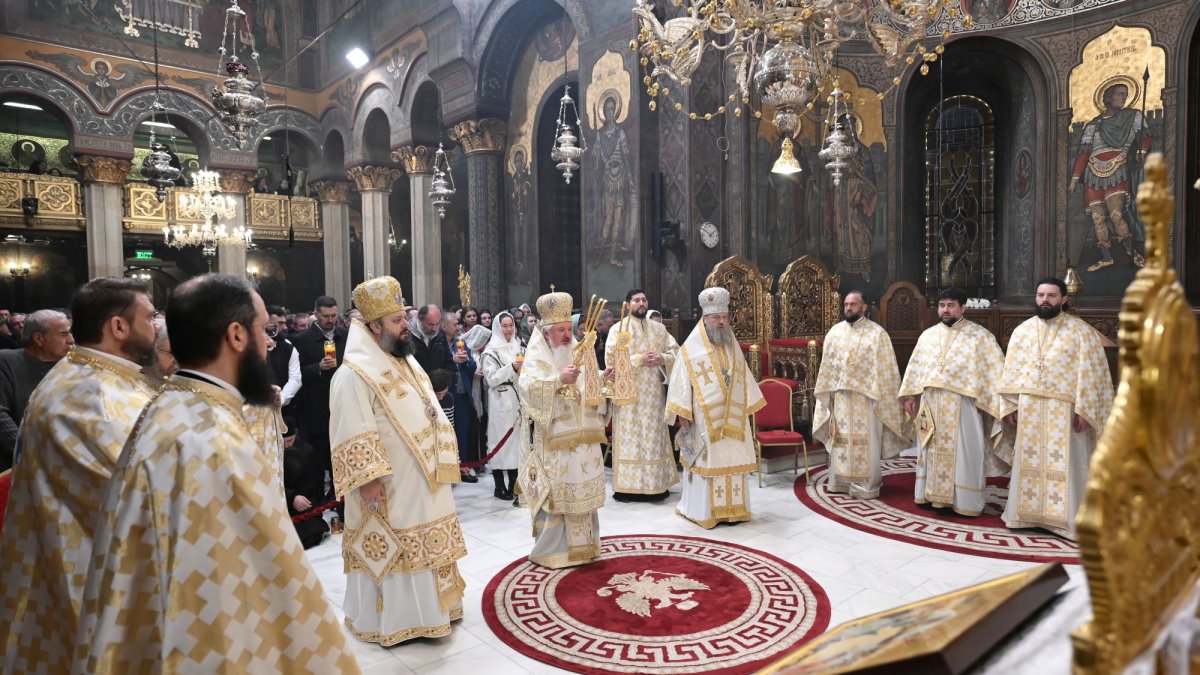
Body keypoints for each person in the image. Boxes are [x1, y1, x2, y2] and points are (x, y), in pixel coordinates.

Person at [75, 274, 356, 672]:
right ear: (237, 335)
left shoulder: (178, 406)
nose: (269, 343)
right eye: (263, 330)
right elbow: (248, 591)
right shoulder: (213, 440)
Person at [0, 279, 158, 674]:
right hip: (88, 588)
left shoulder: (96, 379)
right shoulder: (91, 395)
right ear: (119, 327)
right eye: (150, 317)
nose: (156, 326)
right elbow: (143, 497)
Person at [330, 276, 467, 644]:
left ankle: (439, 609)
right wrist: (367, 479)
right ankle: (398, 621)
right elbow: (350, 429)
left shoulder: (404, 361)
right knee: (399, 545)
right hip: (389, 484)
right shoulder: (352, 374)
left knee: (427, 539)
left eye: (404, 318)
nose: (405, 325)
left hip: (425, 477)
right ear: (375, 327)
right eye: (396, 321)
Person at [998, 278, 1113, 540]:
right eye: (1040, 295)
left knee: (1068, 463)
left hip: (1066, 411)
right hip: (1030, 409)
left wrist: (1086, 409)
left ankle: (1068, 519)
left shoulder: (1081, 332)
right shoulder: (1023, 331)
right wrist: (1010, 404)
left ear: (1064, 299)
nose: (1044, 300)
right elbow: (1011, 370)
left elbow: (1092, 374)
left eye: (1051, 295)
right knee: (1030, 461)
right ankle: (1025, 515)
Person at [899, 287, 1011, 516]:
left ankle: (965, 501)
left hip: (964, 407)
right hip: (930, 404)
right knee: (928, 449)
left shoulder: (980, 337)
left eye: (951, 305)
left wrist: (1002, 405)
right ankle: (929, 494)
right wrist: (910, 395)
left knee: (965, 452)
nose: (945, 310)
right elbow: (915, 368)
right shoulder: (928, 336)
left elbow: (995, 371)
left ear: (963, 308)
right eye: (942, 305)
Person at [518, 290, 608, 568]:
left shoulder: (577, 350)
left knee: (582, 490)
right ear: (546, 332)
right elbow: (528, 388)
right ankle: (553, 550)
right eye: (561, 330)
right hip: (554, 440)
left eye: (569, 329)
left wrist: (604, 377)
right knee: (559, 495)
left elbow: (585, 384)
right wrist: (558, 379)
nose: (568, 336)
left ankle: (587, 547)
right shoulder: (536, 356)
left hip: (582, 438)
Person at [665, 288, 765, 528]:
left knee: (732, 459)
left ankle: (734, 511)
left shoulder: (731, 344)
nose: (721, 322)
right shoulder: (690, 348)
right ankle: (705, 512)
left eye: (724, 317)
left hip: (734, 417)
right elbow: (680, 380)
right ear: (705, 318)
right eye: (716, 318)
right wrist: (682, 413)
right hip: (704, 418)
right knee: (707, 461)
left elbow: (744, 375)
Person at [812, 291, 910, 499]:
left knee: (866, 443)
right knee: (841, 442)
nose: (848, 308)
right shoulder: (835, 333)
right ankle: (840, 482)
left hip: (867, 400)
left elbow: (887, 370)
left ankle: (867, 485)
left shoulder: (877, 334)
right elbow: (827, 368)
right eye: (846, 304)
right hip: (841, 400)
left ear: (864, 307)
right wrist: (827, 397)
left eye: (853, 304)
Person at [607, 289, 679, 502]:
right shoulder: (617, 329)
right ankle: (628, 488)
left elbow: (676, 352)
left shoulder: (659, 329)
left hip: (653, 395)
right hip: (628, 395)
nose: (641, 303)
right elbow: (611, 361)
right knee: (632, 439)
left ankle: (657, 485)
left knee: (653, 437)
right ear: (627, 303)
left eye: (644, 300)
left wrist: (662, 357)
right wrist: (639, 359)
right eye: (636, 300)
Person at [1070, 82, 1152, 271]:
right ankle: (1107, 257)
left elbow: (1146, 135)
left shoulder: (1133, 116)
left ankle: (1133, 253)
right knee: (1098, 219)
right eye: (1120, 94)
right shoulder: (1093, 125)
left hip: (1117, 169)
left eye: (1126, 94)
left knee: (1116, 215)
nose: (1124, 98)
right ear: (1109, 97)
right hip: (1093, 174)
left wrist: (1141, 150)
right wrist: (1075, 178)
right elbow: (1084, 152)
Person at [0, 309, 74, 469]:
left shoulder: (70, 367)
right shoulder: (6, 360)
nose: (71, 340)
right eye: (63, 334)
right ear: (39, 338)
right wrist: (31, 453)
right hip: (17, 464)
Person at [291, 296, 348, 502]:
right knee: (319, 456)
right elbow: (296, 375)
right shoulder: (302, 339)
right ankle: (318, 501)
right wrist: (317, 368)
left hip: (342, 404)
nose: (330, 320)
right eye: (326, 316)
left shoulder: (345, 335)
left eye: (334, 315)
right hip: (317, 407)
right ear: (316, 314)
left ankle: (340, 497)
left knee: (340, 457)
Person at [481, 311, 524, 500]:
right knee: (500, 442)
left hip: (519, 399)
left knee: (516, 444)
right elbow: (491, 379)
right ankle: (499, 487)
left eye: (511, 325)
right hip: (501, 399)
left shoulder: (519, 346)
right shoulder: (490, 351)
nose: (508, 329)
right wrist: (511, 368)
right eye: (504, 326)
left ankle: (514, 485)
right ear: (498, 328)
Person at [282, 417, 329, 549]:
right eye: (283, 442)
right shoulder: (272, 454)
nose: (287, 445)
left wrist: (299, 498)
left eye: (290, 441)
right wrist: (291, 498)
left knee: (313, 531)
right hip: (284, 500)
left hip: (304, 497)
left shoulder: (306, 450)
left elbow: (312, 481)